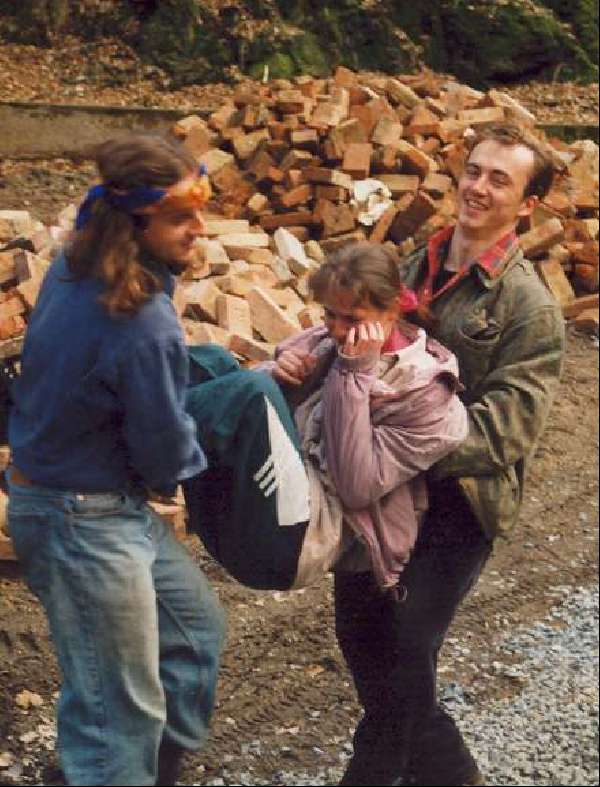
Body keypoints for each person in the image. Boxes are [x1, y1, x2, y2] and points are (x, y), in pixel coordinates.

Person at [333, 123, 566, 787]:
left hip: (459, 501)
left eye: (499, 179)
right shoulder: (410, 267)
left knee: (405, 645)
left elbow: (508, 429)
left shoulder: (529, 307)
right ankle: (453, 774)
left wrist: (400, 447)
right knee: (361, 633)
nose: (478, 187)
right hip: (380, 487)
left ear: (527, 204)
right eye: (474, 170)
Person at [6, 133, 226, 787]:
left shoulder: (74, 266)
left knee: (194, 633)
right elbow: (164, 452)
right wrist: (208, 458)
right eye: (181, 217)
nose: (199, 229)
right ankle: (109, 771)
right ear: (135, 223)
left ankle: (143, 772)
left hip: (103, 503)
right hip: (80, 519)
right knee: (116, 712)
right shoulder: (143, 321)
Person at [182, 243, 468, 597]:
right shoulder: (327, 340)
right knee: (210, 362)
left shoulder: (427, 396)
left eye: (353, 319)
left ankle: (137, 440)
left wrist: (353, 374)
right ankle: (128, 414)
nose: (338, 329)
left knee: (253, 392)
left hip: (297, 538)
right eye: (330, 315)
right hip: (237, 515)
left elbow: (356, 486)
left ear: (392, 309)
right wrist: (278, 374)